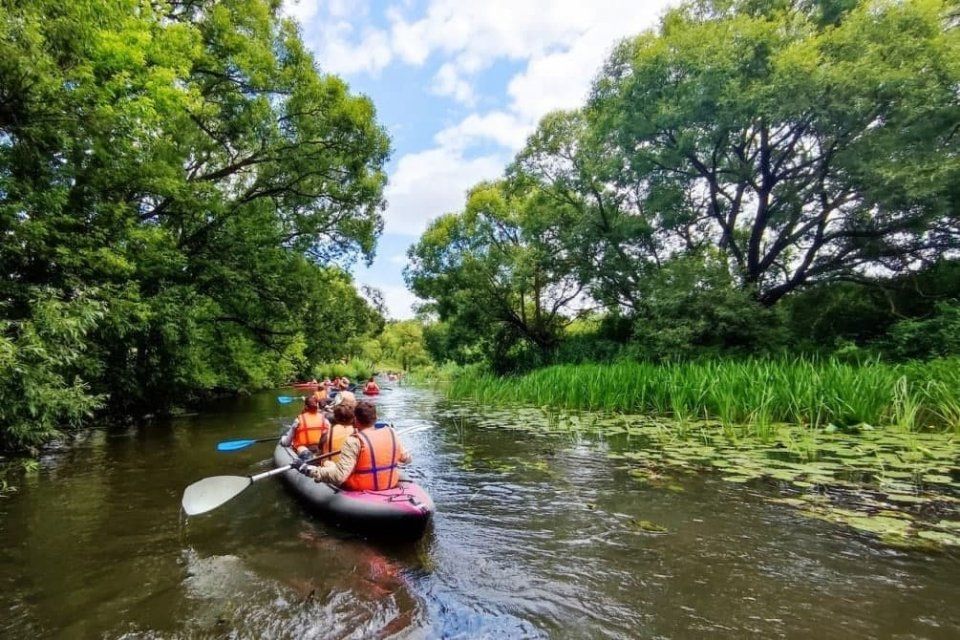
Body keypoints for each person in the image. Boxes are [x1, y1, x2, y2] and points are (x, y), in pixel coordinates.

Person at [295, 401, 411, 490]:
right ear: (375, 418)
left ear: (355, 420)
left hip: (363, 488)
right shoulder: (391, 433)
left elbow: (339, 476)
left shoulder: (354, 441)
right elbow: (407, 459)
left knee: (329, 463)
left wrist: (307, 469)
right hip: (389, 483)